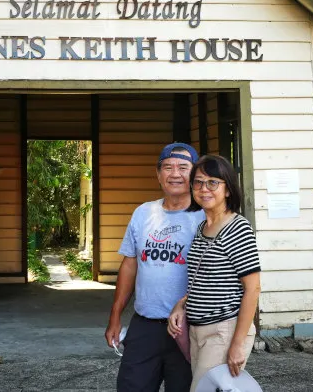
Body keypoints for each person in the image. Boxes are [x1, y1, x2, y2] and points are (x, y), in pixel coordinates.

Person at [105, 142, 205, 392]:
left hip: (188, 327)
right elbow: (130, 264)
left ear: (194, 175)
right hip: (144, 325)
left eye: (183, 167)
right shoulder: (143, 213)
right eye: (167, 167)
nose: (175, 173)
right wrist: (115, 315)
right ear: (158, 174)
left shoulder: (206, 216)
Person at [167, 155, 261, 391]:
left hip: (223, 329)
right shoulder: (203, 227)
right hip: (198, 330)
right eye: (198, 182)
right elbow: (205, 281)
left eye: (212, 182)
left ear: (227, 189)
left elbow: (253, 288)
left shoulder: (237, 228)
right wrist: (182, 305)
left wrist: (237, 344)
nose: (203, 189)